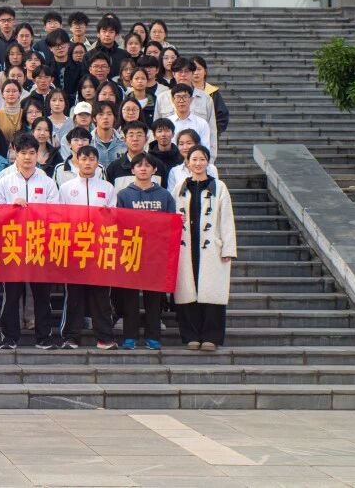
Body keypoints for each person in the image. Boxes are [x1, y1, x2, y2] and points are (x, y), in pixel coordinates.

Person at [0, 133, 61, 349]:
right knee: (12, 294)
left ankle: (43, 337)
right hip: (13, 245)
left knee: (42, 295)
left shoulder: (47, 182)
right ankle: (9, 337)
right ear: (15, 153)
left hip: (40, 244)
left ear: (38, 155)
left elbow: (55, 214)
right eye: (23, 153)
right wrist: (11, 208)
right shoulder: (5, 181)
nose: (28, 157)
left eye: (32, 153)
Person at [173, 145, 237, 351]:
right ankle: (191, 335)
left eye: (202, 159)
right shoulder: (181, 186)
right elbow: (172, 216)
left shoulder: (218, 186)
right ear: (188, 162)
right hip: (186, 245)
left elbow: (226, 218)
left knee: (212, 291)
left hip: (211, 247)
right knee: (187, 290)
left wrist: (228, 248)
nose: (198, 163)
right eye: (194, 159)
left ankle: (211, 336)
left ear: (208, 162)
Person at [57, 145, 118, 350]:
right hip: (75, 247)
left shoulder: (107, 188)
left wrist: (108, 214)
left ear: (97, 163)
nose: (88, 163)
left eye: (92, 159)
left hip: (100, 248)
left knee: (101, 295)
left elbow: (115, 217)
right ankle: (70, 337)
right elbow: (60, 217)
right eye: (83, 159)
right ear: (77, 161)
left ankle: (105, 337)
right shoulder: (66, 188)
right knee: (74, 294)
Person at [115, 152, 175, 350]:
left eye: (147, 165)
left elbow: (172, 224)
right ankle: (130, 337)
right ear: (132, 170)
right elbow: (118, 224)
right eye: (139, 165)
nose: (143, 168)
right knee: (130, 298)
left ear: (154, 170)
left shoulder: (164, 195)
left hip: (155, 255)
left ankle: (153, 336)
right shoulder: (123, 195)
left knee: (154, 299)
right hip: (131, 252)